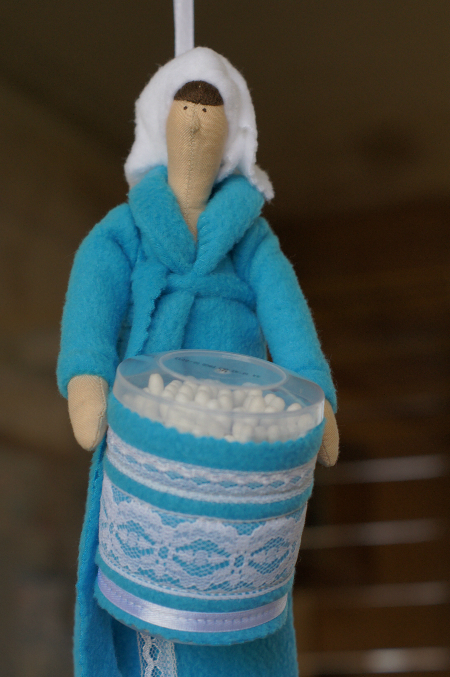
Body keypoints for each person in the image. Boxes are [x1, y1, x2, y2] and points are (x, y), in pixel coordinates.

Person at [57, 46, 338, 677]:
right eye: (183, 107)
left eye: (211, 111)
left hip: (242, 437)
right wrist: (86, 376)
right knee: (139, 586)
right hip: (145, 434)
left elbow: (288, 319)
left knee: (239, 597)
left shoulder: (251, 239)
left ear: (233, 136)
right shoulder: (124, 230)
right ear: (155, 123)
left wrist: (316, 392)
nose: (195, 122)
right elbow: (93, 296)